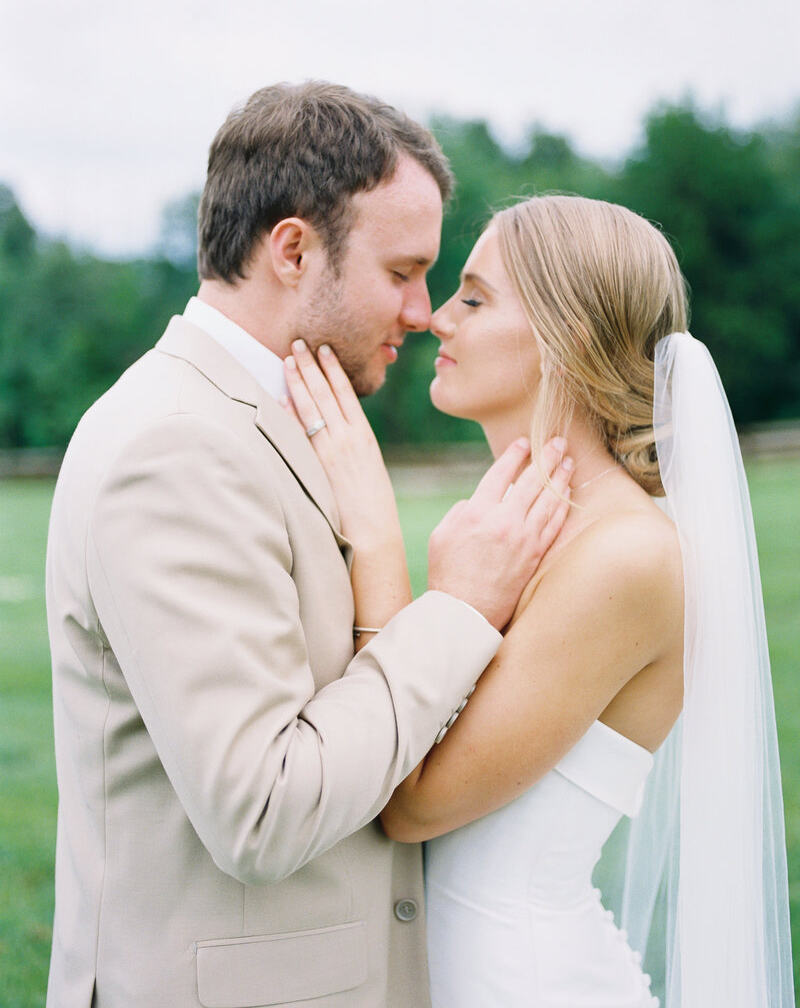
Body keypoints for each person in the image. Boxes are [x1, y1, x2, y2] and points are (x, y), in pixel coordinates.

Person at [44, 84, 574, 1008]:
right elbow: (262, 810)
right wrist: (456, 610)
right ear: (292, 248)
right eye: (403, 271)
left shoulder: (285, 416)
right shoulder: (174, 446)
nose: (424, 311)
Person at [285, 194, 795, 1007]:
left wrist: (376, 536)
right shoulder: (527, 526)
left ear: (567, 338)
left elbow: (412, 801)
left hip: (518, 980)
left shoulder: (627, 555)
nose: (436, 319)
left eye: (475, 298)